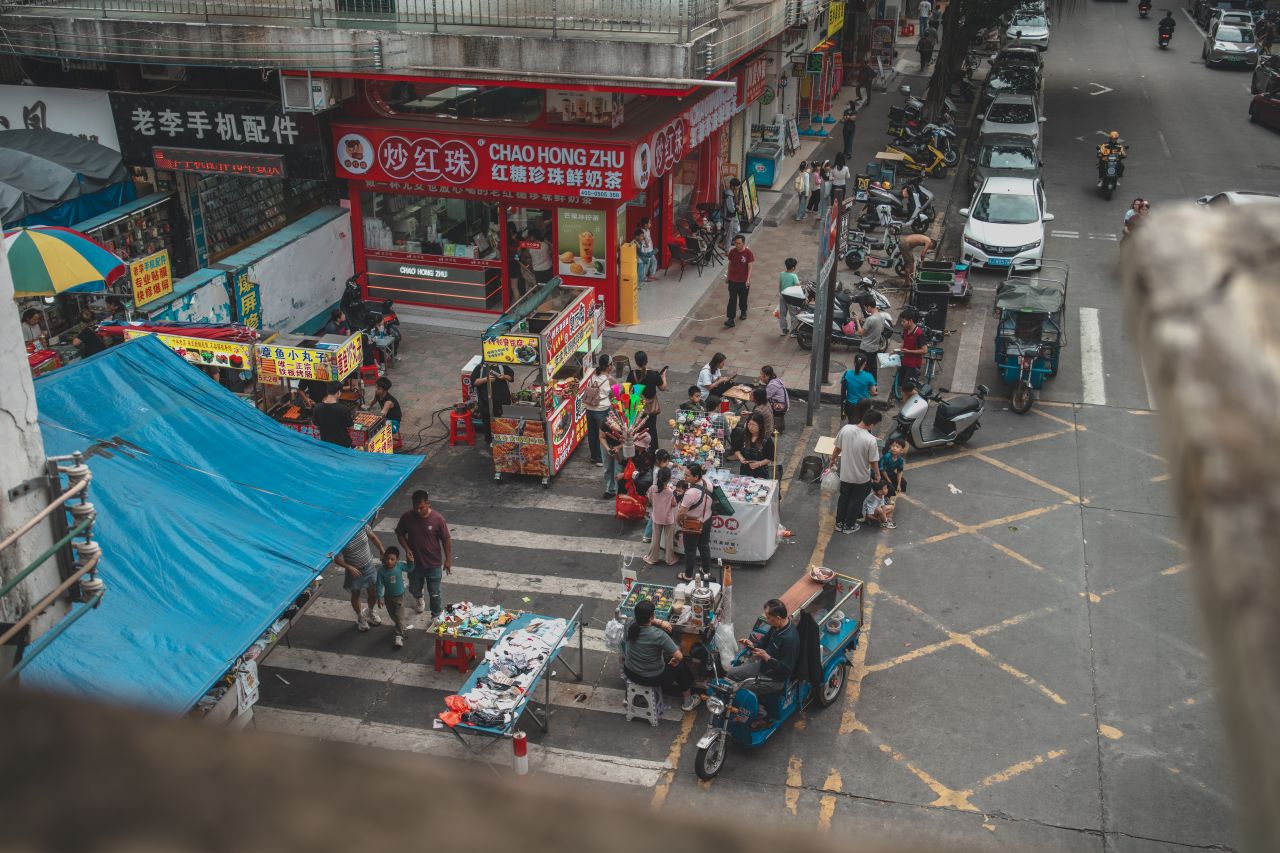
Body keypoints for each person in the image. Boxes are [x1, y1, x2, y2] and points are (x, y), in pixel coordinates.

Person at [729, 599, 799, 728]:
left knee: (739, 691)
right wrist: (752, 645)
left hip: (775, 679)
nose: (767, 620)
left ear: (778, 618)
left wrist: (767, 657)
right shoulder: (776, 627)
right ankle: (757, 703)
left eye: (768, 617)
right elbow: (763, 643)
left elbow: (787, 669)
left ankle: (764, 717)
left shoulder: (790, 639)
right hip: (762, 667)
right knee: (731, 673)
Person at [622, 599, 698, 711]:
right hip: (652, 677)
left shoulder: (629, 624)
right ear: (652, 616)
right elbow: (679, 656)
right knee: (681, 666)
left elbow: (626, 640)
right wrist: (675, 661)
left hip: (630, 671)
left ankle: (629, 696)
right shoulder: (658, 635)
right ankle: (688, 701)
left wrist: (658, 622)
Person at [394, 490, 452, 620]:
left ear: (428, 504)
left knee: (435, 593)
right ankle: (419, 598)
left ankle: (436, 615)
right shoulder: (407, 517)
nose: (418, 511)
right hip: (414, 563)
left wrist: (448, 559)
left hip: (434, 564)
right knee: (414, 587)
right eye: (416, 508)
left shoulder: (438, 519)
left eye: (421, 507)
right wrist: (407, 548)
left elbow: (446, 539)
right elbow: (400, 534)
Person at [829, 408, 883, 534]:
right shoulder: (870, 440)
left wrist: (832, 460)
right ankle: (849, 525)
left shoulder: (846, 429)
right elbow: (873, 461)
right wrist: (878, 475)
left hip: (845, 474)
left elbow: (838, 447)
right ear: (871, 424)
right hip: (861, 478)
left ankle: (839, 523)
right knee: (855, 501)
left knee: (844, 498)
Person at [334, 522, 386, 632]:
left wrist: (382, 550)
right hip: (355, 572)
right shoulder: (340, 536)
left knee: (374, 594)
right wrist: (349, 567)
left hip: (369, 566)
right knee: (355, 594)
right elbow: (336, 558)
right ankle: (360, 617)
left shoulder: (362, 524)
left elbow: (373, 537)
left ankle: (370, 611)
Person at [676, 463, 714, 582]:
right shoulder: (707, 483)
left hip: (692, 524)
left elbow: (682, 512)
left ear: (696, 477)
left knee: (690, 550)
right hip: (707, 519)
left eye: (687, 475)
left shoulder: (690, 493)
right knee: (704, 546)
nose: (684, 477)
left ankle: (688, 575)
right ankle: (706, 570)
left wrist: (679, 521)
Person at [626, 350, 668, 448]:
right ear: (647, 360)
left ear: (636, 362)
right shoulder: (654, 374)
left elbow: (627, 390)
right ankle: (652, 450)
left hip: (636, 406)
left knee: (637, 428)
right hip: (650, 408)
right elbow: (663, 388)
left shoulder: (633, 374)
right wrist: (664, 376)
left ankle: (638, 448)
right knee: (651, 428)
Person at [471, 360, 515, 445]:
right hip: (485, 402)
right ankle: (489, 441)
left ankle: (503, 441)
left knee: (503, 422)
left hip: (502, 400)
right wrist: (485, 379)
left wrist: (504, 376)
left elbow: (511, 377)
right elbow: (474, 382)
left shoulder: (501, 365)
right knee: (487, 423)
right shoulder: (479, 367)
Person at [644, 466, 680, 566]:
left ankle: (652, 558)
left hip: (656, 517)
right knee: (669, 540)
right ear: (669, 479)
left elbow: (650, 498)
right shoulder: (670, 492)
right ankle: (670, 559)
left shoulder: (652, 488)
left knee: (655, 538)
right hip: (668, 518)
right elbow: (674, 504)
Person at [376, 546, 408, 649]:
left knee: (398, 615)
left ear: (397, 560)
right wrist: (380, 597)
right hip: (388, 597)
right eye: (387, 559)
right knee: (392, 614)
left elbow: (410, 568)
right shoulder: (381, 571)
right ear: (384, 558)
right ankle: (400, 624)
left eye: (392, 559)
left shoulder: (399, 566)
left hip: (399, 596)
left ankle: (399, 635)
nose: (389, 561)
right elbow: (379, 585)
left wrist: (411, 561)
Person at [583, 353, 613, 465]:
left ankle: (594, 457)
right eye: (611, 364)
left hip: (589, 409)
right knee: (602, 435)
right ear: (609, 366)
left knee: (592, 434)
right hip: (602, 410)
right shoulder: (609, 379)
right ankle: (600, 459)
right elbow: (617, 392)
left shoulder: (593, 376)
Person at [855, 298, 889, 387]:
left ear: (869, 306)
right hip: (875, 348)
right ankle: (873, 387)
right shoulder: (882, 316)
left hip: (865, 348)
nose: (866, 309)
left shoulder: (870, 319)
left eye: (866, 307)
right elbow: (880, 330)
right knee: (873, 368)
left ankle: (863, 386)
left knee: (863, 368)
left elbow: (860, 333)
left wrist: (857, 321)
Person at [732, 412, 776, 479]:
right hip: (745, 470)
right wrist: (741, 458)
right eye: (749, 424)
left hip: (760, 472)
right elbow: (736, 449)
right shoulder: (744, 435)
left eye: (754, 425)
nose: (750, 427)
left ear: (760, 426)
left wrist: (758, 464)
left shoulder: (766, 440)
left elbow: (771, 457)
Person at [642, 449, 673, 544]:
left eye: (667, 461)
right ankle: (647, 535)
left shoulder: (661, 466)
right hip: (658, 495)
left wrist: (677, 465)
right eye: (665, 461)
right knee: (654, 515)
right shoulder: (657, 472)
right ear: (658, 461)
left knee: (655, 514)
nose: (667, 463)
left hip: (658, 495)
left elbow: (671, 464)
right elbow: (656, 486)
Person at [724, 233, 754, 328]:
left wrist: (748, 280)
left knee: (743, 298)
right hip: (733, 280)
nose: (737, 245)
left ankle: (743, 311)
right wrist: (728, 277)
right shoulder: (732, 252)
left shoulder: (748, 253)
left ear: (743, 243)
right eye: (736, 243)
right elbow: (730, 264)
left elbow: (750, 267)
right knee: (732, 299)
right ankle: (730, 319)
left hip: (743, 281)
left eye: (739, 243)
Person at [312, 382, 354, 447]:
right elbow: (351, 428)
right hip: (343, 445)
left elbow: (316, 426)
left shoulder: (317, 408)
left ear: (327, 391)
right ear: (338, 393)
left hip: (326, 444)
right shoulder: (344, 409)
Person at [841, 352, 878, 422]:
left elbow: (844, 389)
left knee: (851, 423)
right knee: (864, 425)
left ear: (854, 363)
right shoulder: (869, 376)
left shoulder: (847, 374)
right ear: (865, 364)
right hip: (864, 406)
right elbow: (873, 392)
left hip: (850, 405)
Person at [895, 307, 927, 389]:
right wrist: (897, 350)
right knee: (901, 385)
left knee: (909, 387)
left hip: (913, 365)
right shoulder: (905, 330)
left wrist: (908, 351)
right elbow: (905, 342)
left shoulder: (919, 334)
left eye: (903, 321)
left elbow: (924, 350)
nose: (902, 323)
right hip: (904, 362)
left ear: (910, 321)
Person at [760, 365, 789, 432]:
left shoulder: (772, 385)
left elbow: (765, 397)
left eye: (761, 374)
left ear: (767, 376)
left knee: (760, 406)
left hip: (780, 407)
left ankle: (765, 427)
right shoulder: (775, 380)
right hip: (783, 404)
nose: (760, 376)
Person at [778, 257, 801, 336]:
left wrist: (780, 293)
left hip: (782, 296)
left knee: (782, 313)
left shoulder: (781, 274)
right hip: (791, 298)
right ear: (793, 267)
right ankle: (793, 331)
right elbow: (798, 286)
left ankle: (784, 329)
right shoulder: (794, 276)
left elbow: (780, 286)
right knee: (794, 314)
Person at [723, 177, 742, 250]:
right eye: (737, 186)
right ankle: (727, 250)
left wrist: (736, 206)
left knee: (736, 230)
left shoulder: (732, 193)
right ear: (733, 186)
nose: (738, 188)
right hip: (729, 216)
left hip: (733, 216)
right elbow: (730, 209)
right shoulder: (729, 195)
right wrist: (737, 208)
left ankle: (722, 243)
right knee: (729, 234)